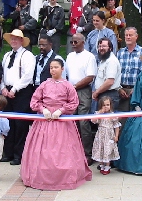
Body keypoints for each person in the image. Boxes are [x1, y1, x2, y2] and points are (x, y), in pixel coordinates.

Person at [20, 59, 92, 190]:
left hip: (62, 122)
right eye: (51, 67)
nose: (53, 70)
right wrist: (43, 109)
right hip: (44, 121)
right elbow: (34, 101)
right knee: (42, 150)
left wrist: (62, 110)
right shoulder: (44, 84)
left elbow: (73, 102)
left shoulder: (68, 85)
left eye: (56, 67)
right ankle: (39, 175)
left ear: (62, 69)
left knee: (63, 151)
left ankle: (64, 176)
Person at [0, 29, 35, 165]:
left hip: (22, 91)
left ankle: (18, 155)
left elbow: (27, 76)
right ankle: (8, 152)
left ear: (22, 41)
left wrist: (14, 89)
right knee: (8, 123)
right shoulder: (7, 55)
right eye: (12, 39)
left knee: (20, 124)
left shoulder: (28, 55)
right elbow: (2, 73)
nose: (13, 41)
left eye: (16, 39)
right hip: (7, 90)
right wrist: (3, 87)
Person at [65, 33, 97, 165]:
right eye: (72, 42)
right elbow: (66, 73)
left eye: (76, 42)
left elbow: (90, 76)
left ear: (83, 42)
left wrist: (75, 86)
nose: (73, 44)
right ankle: (72, 151)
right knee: (71, 122)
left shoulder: (89, 57)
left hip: (83, 90)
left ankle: (87, 153)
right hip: (70, 90)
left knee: (83, 122)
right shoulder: (69, 56)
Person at [117, 27, 142, 119]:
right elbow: (115, 73)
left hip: (137, 90)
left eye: (130, 35)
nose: (128, 37)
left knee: (135, 118)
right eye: (126, 35)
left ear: (136, 36)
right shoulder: (120, 53)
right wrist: (119, 88)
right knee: (121, 119)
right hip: (121, 90)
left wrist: (136, 89)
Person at [91, 96, 121, 175]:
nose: (106, 107)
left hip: (109, 135)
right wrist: (99, 112)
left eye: (107, 105)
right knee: (100, 149)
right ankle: (101, 165)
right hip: (100, 135)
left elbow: (116, 126)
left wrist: (116, 136)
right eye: (104, 105)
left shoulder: (112, 115)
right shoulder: (98, 114)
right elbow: (93, 120)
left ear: (111, 105)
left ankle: (107, 166)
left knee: (108, 150)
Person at [92, 38, 121, 111]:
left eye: (104, 46)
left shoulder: (111, 61)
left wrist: (96, 92)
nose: (101, 48)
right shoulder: (104, 60)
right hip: (103, 94)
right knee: (102, 121)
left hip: (110, 96)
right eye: (99, 46)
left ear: (110, 48)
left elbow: (109, 82)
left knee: (109, 121)